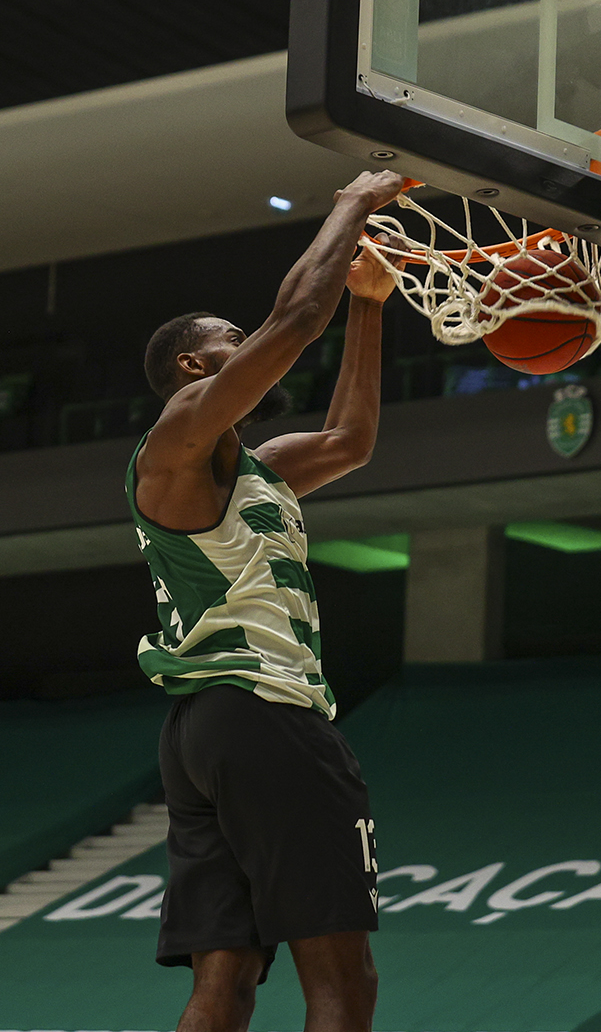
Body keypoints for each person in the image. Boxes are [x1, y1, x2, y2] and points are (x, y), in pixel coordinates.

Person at [128, 169, 407, 1032]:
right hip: (266, 710)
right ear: (192, 365)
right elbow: (293, 323)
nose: (251, 346)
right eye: (231, 341)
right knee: (343, 977)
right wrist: (352, 206)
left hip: (203, 735)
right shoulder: (176, 440)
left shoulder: (260, 466)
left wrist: (368, 301)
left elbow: (351, 440)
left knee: (229, 979)